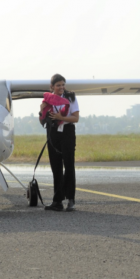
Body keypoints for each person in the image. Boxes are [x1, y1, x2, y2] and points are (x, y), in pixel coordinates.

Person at [39, 74, 79, 212]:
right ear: (52, 87)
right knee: (56, 167)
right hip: (53, 133)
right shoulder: (47, 99)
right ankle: (57, 201)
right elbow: (42, 121)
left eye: (63, 84)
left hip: (67, 132)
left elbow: (76, 118)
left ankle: (71, 200)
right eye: (58, 85)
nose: (61, 87)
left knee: (68, 166)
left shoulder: (71, 97)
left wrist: (61, 117)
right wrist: (41, 109)